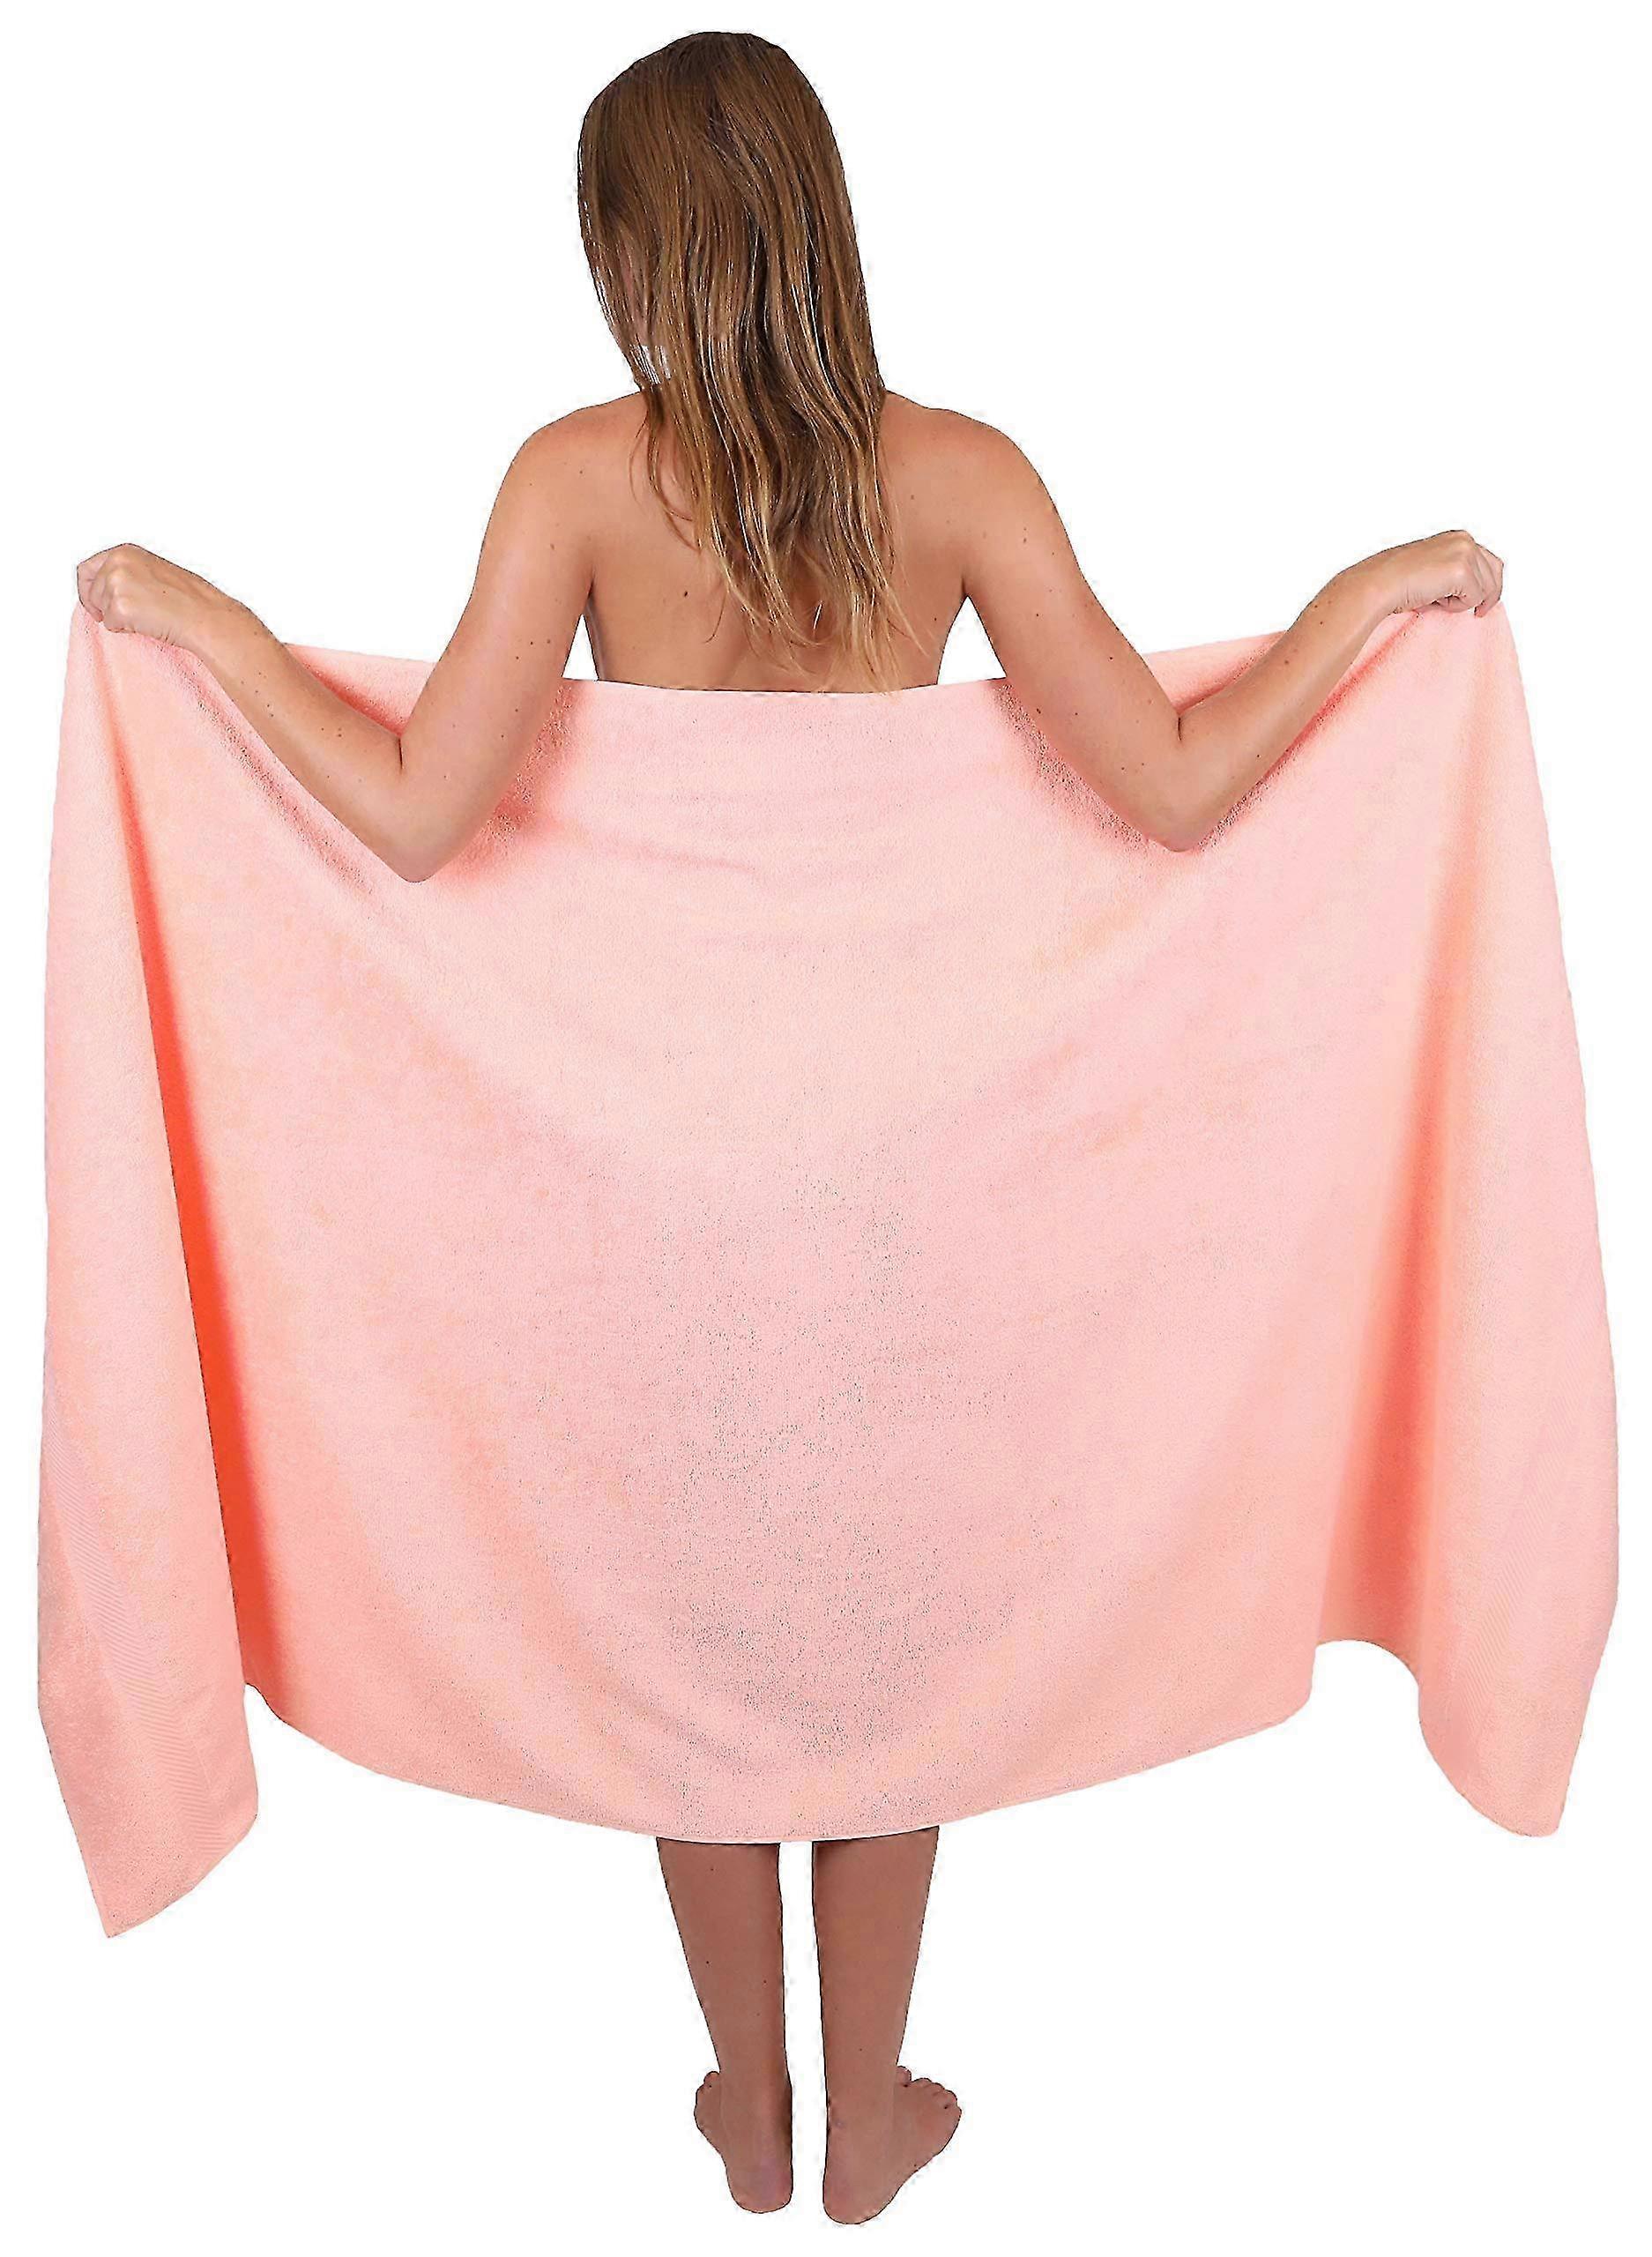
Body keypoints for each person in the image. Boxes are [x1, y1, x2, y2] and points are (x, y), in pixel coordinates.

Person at [72, 29, 1504, 2227]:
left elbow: (415, 816)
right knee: (884, 1644)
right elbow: (1178, 784)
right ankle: (867, 2112)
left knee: (704, 1639)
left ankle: (744, 2099)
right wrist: (1366, 599)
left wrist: (206, 624)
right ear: (818, 221)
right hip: (916, 1178)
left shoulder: (573, 478)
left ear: (639, 250)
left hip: (642, 1183)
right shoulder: (960, 475)